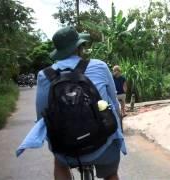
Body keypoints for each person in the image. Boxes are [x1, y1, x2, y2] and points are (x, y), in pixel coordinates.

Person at [17, 26, 126, 180]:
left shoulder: (44, 75)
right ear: (80, 47)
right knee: (111, 174)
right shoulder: (99, 66)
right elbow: (114, 103)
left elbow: (42, 115)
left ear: (58, 51)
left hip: (67, 149)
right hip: (103, 144)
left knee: (59, 163)